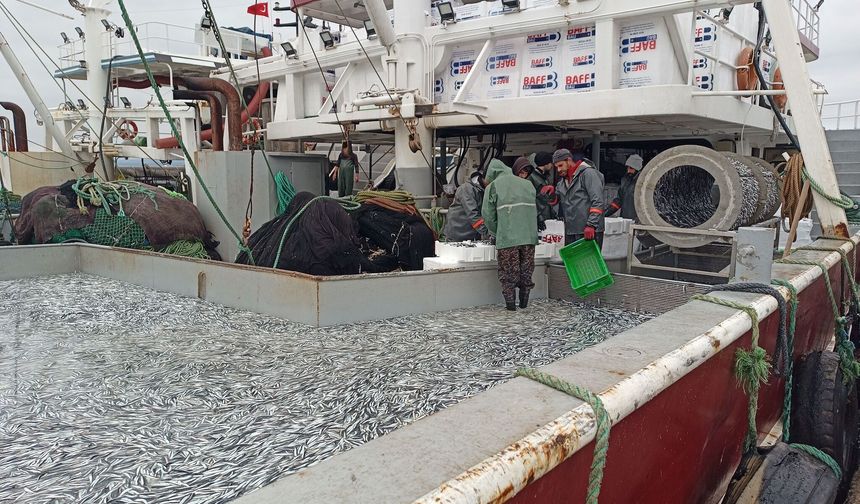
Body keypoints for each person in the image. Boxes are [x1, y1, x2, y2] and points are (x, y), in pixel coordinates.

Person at [481, 159, 538, 311]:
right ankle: (524, 304)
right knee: (526, 270)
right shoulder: (528, 184)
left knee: (508, 273)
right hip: (529, 237)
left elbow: (487, 215)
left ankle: (511, 306)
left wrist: (496, 232)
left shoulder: (493, 186)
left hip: (508, 238)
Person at [554, 148, 606, 247]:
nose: (558, 170)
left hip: (589, 231)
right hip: (571, 231)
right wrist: (550, 194)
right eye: (556, 167)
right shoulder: (562, 182)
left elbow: (598, 201)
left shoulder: (588, 174)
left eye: (560, 165)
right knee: (574, 262)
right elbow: (556, 200)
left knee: (590, 262)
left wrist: (591, 225)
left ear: (569, 160)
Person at [443, 171, 489, 242]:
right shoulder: (467, 189)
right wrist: (487, 233)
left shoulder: (481, 190)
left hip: (471, 235)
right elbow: (473, 214)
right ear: (486, 178)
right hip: (457, 235)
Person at [606, 154, 643, 221]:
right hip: (624, 220)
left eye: (631, 168)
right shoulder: (625, 180)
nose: (628, 170)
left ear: (637, 168)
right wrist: (605, 213)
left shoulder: (642, 183)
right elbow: (618, 201)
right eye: (628, 167)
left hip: (637, 222)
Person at [528, 151, 558, 230]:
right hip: (540, 218)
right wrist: (539, 217)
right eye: (551, 163)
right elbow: (531, 200)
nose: (552, 166)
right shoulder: (531, 178)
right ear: (546, 164)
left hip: (547, 217)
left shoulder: (544, 177)